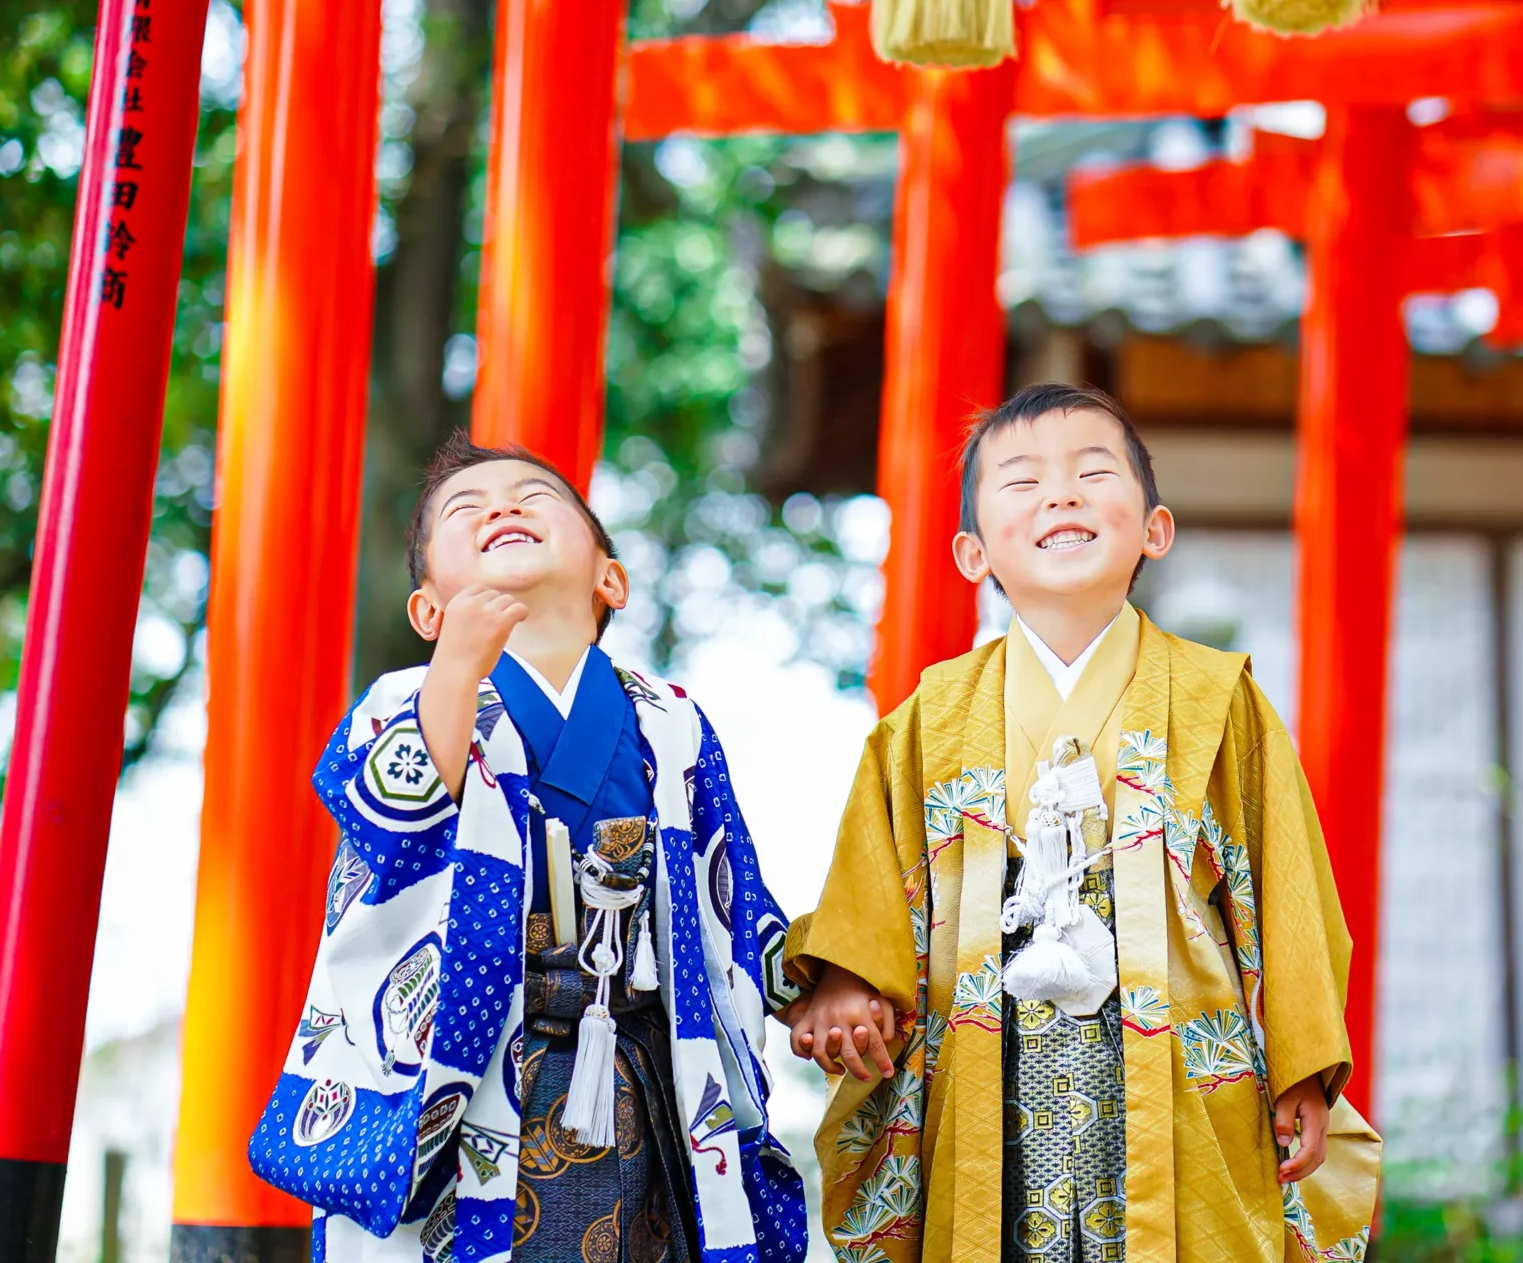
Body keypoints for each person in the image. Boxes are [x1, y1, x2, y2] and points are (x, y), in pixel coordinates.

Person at [780, 384, 1378, 1263]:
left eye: (1093, 473)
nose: (1059, 494)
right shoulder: (929, 718)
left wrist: (1302, 1063)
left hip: (1177, 1074)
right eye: (1020, 481)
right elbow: (874, 879)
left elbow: (1288, 887)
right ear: (973, 551)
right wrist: (844, 977)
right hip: (989, 1070)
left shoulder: (1219, 699)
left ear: (1154, 529)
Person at [249, 432, 808, 1263]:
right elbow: (390, 822)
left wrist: (809, 985)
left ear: (608, 575)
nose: (503, 506)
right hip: (479, 1068)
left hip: (642, 1061)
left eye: (535, 496)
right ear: (429, 610)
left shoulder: (673, 720)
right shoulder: (406, 698)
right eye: (465, 510)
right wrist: (455, 670)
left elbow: (735, 889)